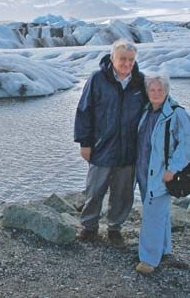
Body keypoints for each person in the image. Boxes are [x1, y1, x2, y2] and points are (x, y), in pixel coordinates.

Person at [74, 39, 146, 247]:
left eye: (131, 60)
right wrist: (84, 143)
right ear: (113, 58)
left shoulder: (139, 81)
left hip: (129, 149)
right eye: (122, 59)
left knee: (123, 192)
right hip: (101, 146)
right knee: (95, 189)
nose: (127, 64)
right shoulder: (98, 79)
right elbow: (84, 112)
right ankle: (89, 227)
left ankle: (115, 229)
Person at [135, 74, 190, 274]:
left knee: (152, 215)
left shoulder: (176, 114)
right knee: (158, 212)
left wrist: (173, 168)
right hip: (145, 171)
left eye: (159, 90)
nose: (155, 93)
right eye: (152, 90)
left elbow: (189, 144)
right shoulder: (147, 111)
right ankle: (163, 249)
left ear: (167, 91)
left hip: (162, 174)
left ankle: (148, 260)